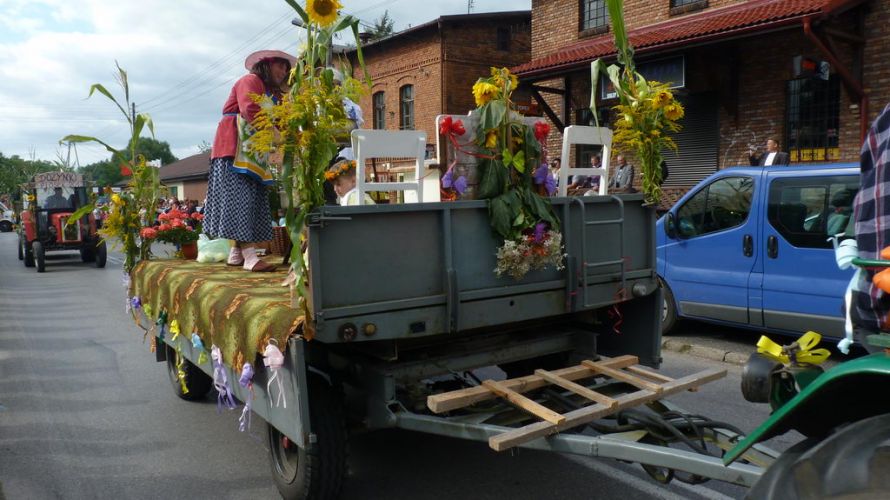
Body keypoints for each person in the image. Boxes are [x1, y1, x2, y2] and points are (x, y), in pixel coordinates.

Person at [203, 49, 294, 272]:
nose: (284, 71)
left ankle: (236, 253)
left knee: (251, 200)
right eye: (280, 66)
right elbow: (250, 109)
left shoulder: (274, 94)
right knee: (240, 199)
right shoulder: (250, 80)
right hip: (233, 148)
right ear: (266, 65)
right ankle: (250, 257)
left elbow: (282, 120)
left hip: (254, 152)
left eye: (286, 68)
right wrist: (276, 134)